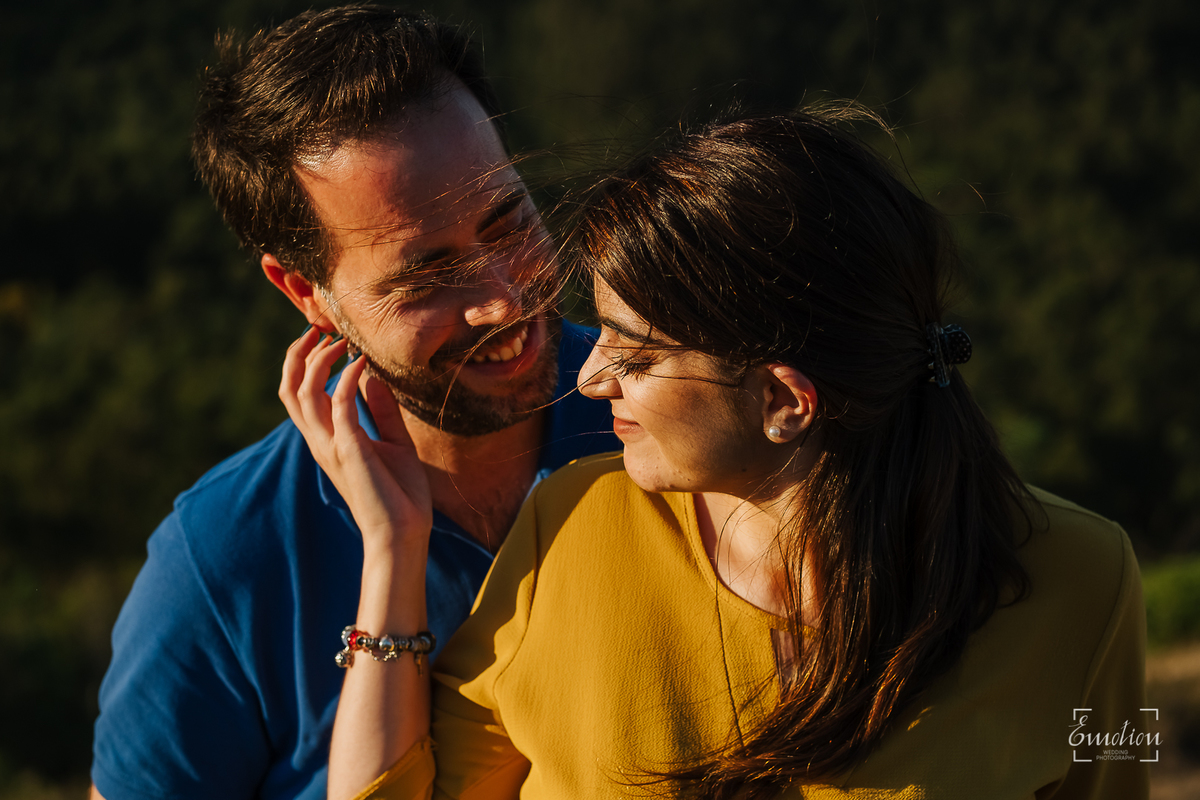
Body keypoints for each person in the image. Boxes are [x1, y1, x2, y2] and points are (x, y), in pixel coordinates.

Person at [283, 106, 1149, 799]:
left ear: (782, 400)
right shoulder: (568, 523)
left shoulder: (1085, 577)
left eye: (637, 352)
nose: (592, 380)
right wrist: (393, 544)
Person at [89, 6, 617, 800]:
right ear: (307, 292)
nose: (503, 301)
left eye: (509, 223)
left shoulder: (671, 419)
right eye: (427, 278)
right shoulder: (225, 561)